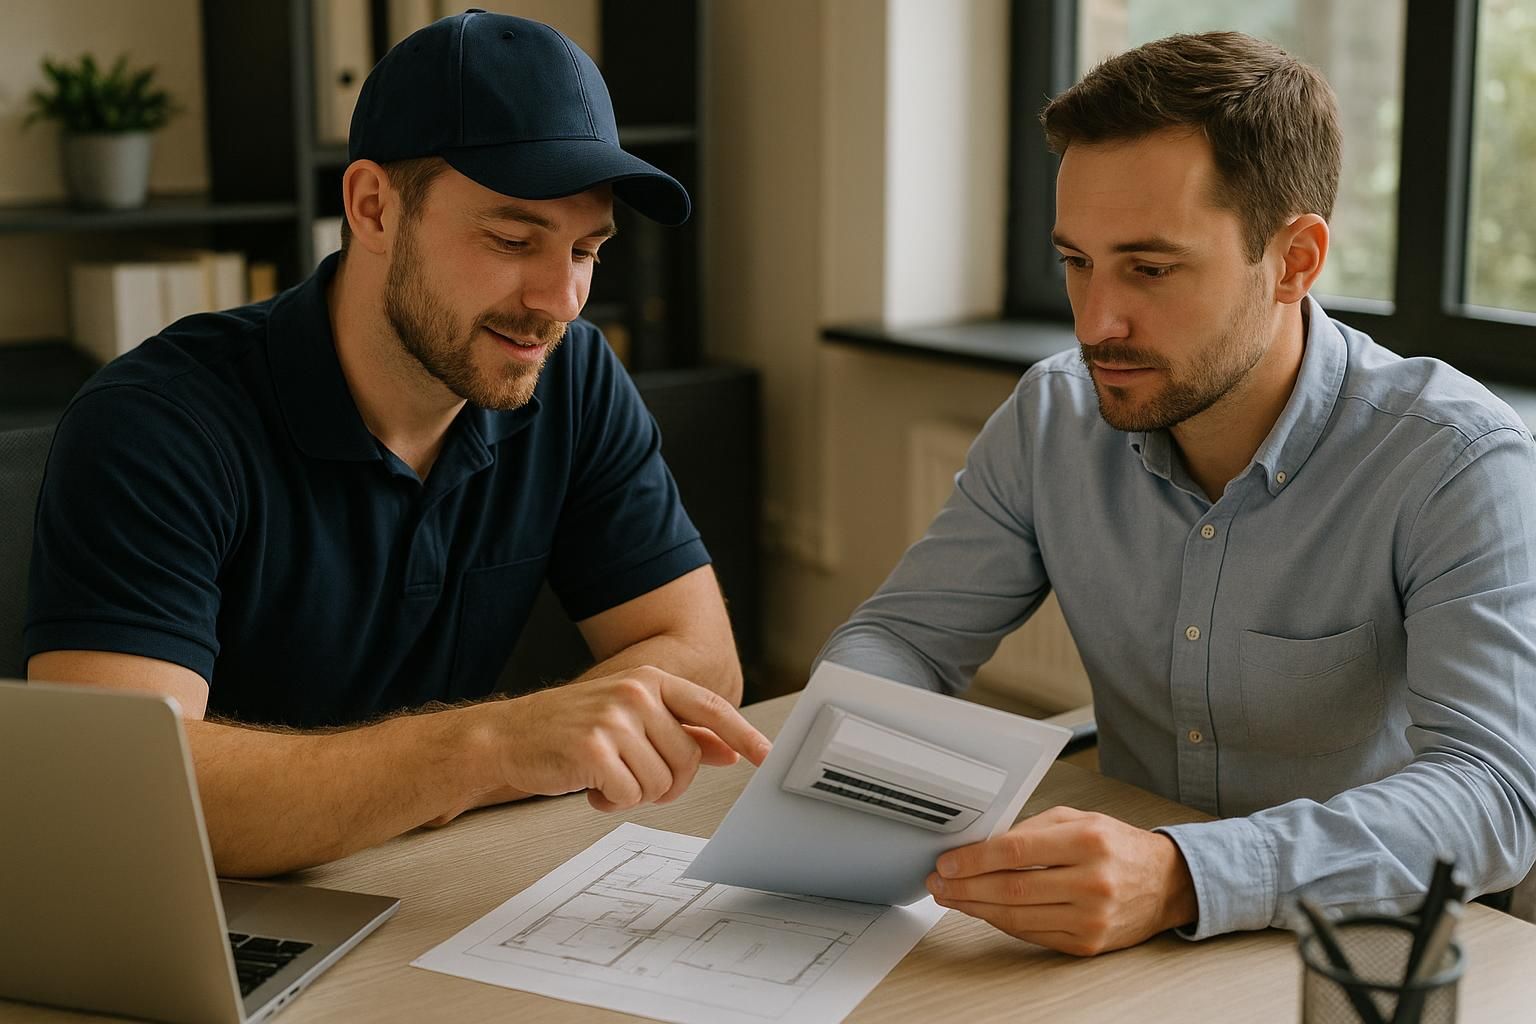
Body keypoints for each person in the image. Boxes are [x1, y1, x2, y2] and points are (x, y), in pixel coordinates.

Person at [818, 30, 1536, 955]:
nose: (1096, 322)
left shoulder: (1456, 460)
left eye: (1150, 269)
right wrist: (856, 765)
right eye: (1078, 261)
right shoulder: (1053, 418)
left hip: (1362, 949)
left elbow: (1492, 793)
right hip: (1123, 936)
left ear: (1296, 261)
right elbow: (901, 638)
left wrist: (1183, 876)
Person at [24, 11, 770, 877]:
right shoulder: (156, 425)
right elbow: (123, 797)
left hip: (427, 877)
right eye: (512, 239)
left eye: (586, 250)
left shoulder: (573, 377)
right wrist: (490, 747)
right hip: (206, 914)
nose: (561, 299)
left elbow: (705, 663)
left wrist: (494, 757)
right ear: (373, 207)